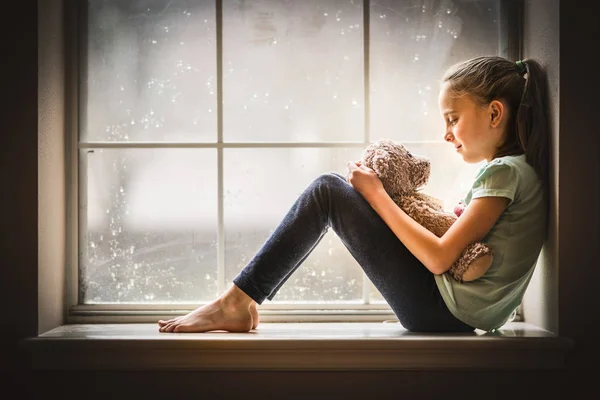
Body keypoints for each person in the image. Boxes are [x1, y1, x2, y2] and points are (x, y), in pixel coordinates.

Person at [158, 56, 550, 333]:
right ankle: (236, 302)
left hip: (441, 312)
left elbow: (439, 257)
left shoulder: (504, 173)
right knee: (334, 190)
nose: (446, 134)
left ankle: (235, 303)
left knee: (328, 190)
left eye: (453, 119)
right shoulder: (519, 173)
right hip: (451, 313)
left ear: (495, 114)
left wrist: (378, 195)